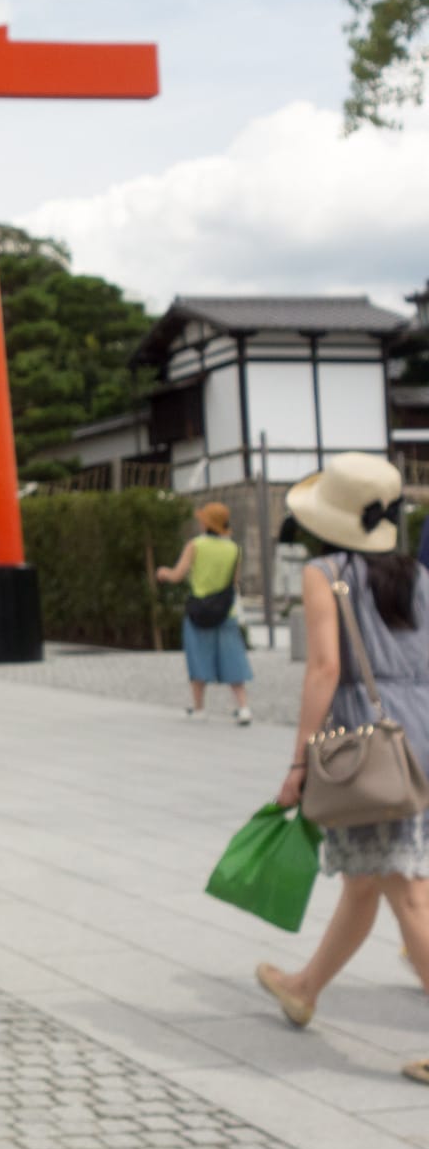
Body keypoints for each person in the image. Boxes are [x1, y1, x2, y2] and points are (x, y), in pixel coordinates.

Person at [254, 453, 429, 1087]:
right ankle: (304, 986)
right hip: (422, 733)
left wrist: (300, 758)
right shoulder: (419, 576)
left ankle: (306, 986)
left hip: (367, 741)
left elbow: (325, 669)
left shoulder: (326, 573)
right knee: (371, 878)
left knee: (405, 888)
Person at [155, 501, 254, 724]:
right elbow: (235, 581)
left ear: (206, 523)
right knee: (234, 658)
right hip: (225, 610)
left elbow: (178, 574)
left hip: (199, 610)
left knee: (198, 657)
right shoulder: (234, 549)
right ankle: (244, 707)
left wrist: (164, 573)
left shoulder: (195, 545)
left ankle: (199, 708)